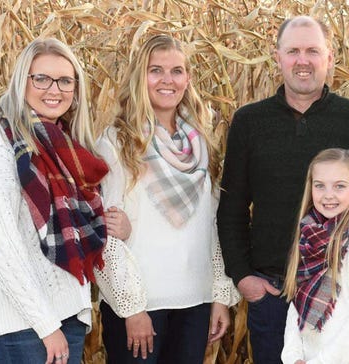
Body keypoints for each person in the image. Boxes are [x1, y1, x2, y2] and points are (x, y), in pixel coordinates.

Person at [217, 15, 349, 363]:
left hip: (342, 291)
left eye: (313, 50)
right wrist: (243, 276)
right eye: (293, 51)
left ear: (330, 57)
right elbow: (231, 208)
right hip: (272, 291)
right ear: (277, 57)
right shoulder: (250, 122)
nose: (303, 60)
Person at [0, 37, 114, 364]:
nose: (54, 89)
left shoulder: (66, 149)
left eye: (65, 81)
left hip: (64, 317)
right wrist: (45, 325)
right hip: (22, 323)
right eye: (41, 78)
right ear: (22, 82)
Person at [94, 34, 239, 364]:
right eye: (155, 70)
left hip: (195, 301)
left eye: (177, 71)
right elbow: (108, 235)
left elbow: (212, 225)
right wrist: (131, 308)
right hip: (142, 304)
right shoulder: (118, 142)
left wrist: (218, 294)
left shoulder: (201, 141)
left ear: (188, 79)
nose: (167, 80)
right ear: (139, 77)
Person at [280, 148, 349, 364]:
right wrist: (293, 357)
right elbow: (297, 303)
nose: (328, 195)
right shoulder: (310, 234)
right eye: (320, 186)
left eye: (339, 186)